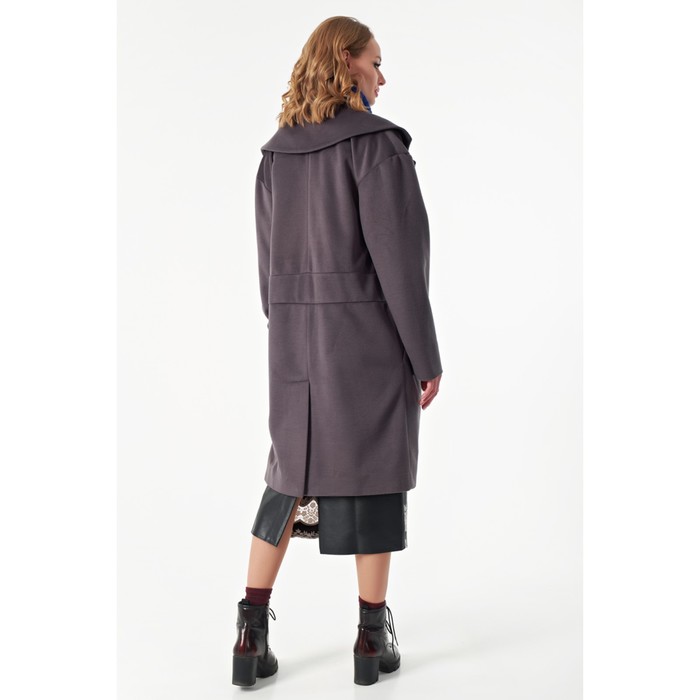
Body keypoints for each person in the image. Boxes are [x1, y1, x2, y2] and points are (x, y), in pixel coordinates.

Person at [232, 16, 443, 687]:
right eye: (376, 63)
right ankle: (369, 641)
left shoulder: (277, 155)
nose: (383, 77)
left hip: (294, 346)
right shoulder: (376, 146)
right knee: (374, 475)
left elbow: (267, 276)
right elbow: (401, 265)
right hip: (367, 343)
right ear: (347, 62)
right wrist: (425, 356)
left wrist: (292, 331)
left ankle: (249, 635)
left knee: (287, 477)